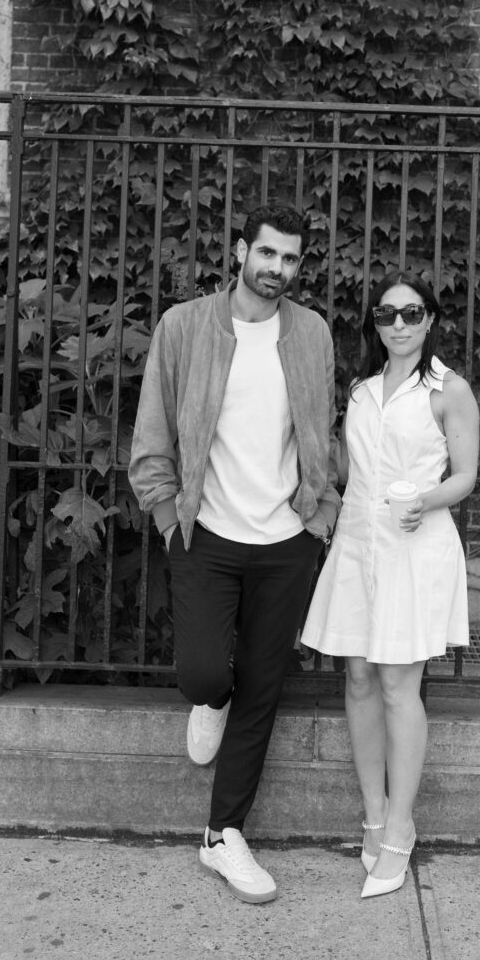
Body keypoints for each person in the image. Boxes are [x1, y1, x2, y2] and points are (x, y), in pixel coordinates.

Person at [128, 205, 340, 904]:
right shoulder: (186, 326)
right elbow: (155, 427)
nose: (278, 269)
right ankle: (208, 698)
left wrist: (322, 513)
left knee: (263, 686)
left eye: (291, 259)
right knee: (202, 672)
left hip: (287, 539)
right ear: (241, 250)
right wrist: (165, 516)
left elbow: (322, 430)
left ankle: (223, 835)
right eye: (269, 254)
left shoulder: (310, 333)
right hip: (207, 534)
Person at [301, 269, 479, 899]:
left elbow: (466, 476)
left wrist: (425, 500)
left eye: (410, 314)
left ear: (430, 319)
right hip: (356, 540)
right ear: (374, 325)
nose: (398, 325)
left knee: (401, 684)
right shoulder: (361, 389)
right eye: (385, 316)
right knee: (356, 677)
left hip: (413, 544)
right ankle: (373, 813)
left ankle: (401, 829)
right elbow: (350, 470)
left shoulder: (448, 390)